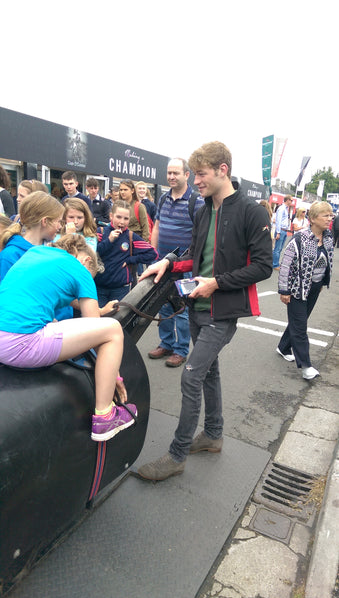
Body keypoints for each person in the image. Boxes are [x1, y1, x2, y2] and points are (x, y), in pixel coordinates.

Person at [137, 141, 272, 481]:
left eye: (200, 174)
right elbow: (194, 258)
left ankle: (177, 454)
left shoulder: (251, 211)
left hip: (223, 309)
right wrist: (165, 263)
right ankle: (213, 434)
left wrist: (217, 283)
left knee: (191, 375)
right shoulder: (201, 210)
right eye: (195, 175)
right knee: (209, 372)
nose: (195, 181)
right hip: (195, 304)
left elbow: (263, 266)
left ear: (222, 170)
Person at [0, 234, 137, 442]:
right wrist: (115, 378)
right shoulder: (81, 271)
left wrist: (99, 308)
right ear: (86, 261)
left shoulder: (36, 252)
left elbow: (62, 296)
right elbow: (96, 329)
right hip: (21, 344)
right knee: (113, 329)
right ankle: (105, 416)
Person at [148, 157, 204, 368]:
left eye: (176, 173)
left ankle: (181, 350)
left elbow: (200, 236)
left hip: (185, 269)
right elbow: (157, 227)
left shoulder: (197, 201)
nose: (171, 177)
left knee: (182, 309)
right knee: (163, 305)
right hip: (163, 265)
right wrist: (155, 256)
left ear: (187, 175)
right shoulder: (162, 199)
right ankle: (166, 343)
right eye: (169, 173)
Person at [276, 201, 333, 380]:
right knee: (300, 326)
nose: (330, 219)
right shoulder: (300, 238)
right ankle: (306, 366)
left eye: (331, 215)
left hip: (315, 287)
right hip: (297, 289)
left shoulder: (329, 237)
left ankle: (283, 347)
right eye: (326, 215)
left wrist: (323, 281)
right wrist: (284, 290)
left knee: (298, 321)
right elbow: (285, 265)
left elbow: (327, 261)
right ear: (313, 218)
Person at [95, 200, 158, 304]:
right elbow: (94, 253)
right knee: (99, 318)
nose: (122, 222)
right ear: (111, 216)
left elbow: (153, 254)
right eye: (118, 217)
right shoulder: (101, 232)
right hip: (99, 286)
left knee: (118, 319)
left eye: (126, 218)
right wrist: (109, 241)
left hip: (120, 288)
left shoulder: (130, 237)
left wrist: (131, 259)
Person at [0, 191, 64, 281]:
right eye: (58, 221)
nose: (60, 226)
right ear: (45, 221)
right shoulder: (10, 255)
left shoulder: (54, 249)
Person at [272, 195, 293, 269]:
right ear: (287, 200)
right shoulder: (281, 208)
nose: (291, 202)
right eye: (291, 200)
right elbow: (278, 220)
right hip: (281, 230)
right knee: (277, 249)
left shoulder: (285, 209)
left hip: (284, 230)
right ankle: (275, 264)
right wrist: (278, 232)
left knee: (280, 248)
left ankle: (275, 262)